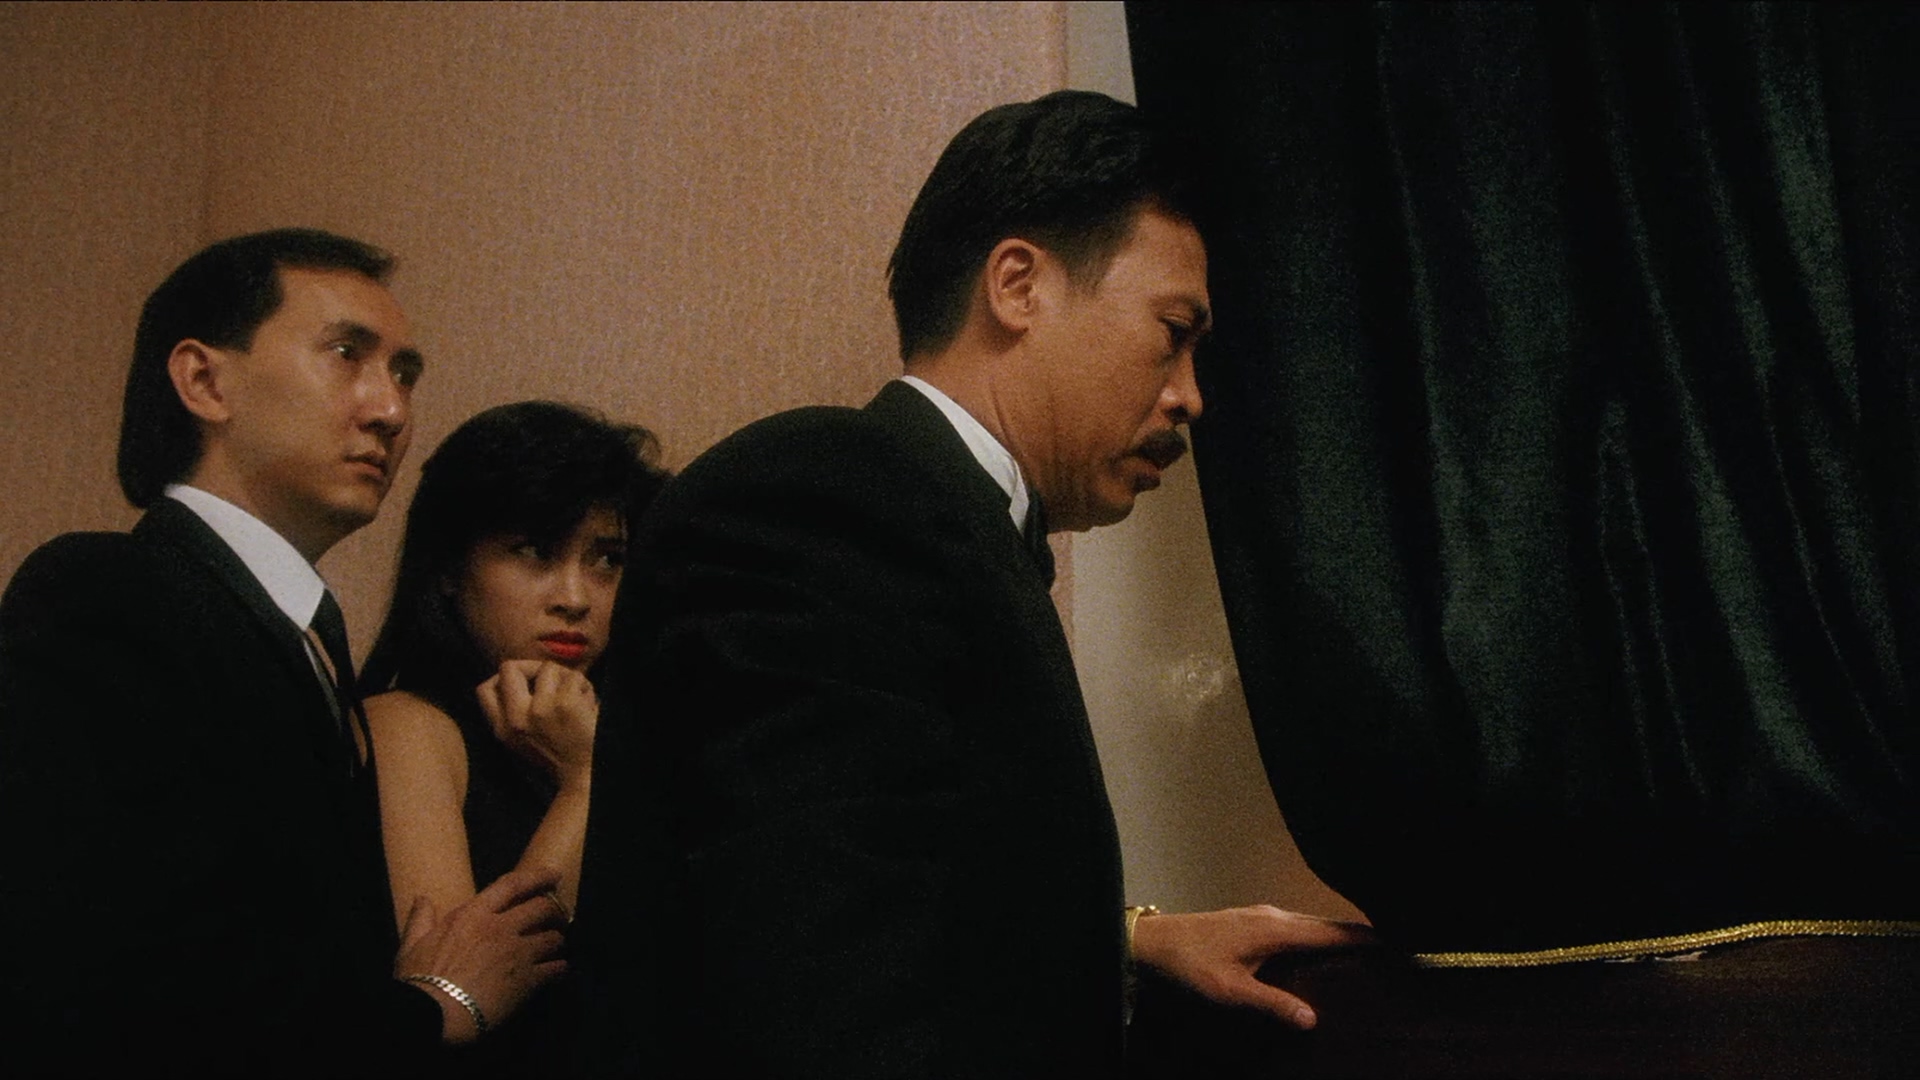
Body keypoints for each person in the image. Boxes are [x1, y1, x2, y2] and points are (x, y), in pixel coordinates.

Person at [575, 91, 1370, 1077]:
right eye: (1173, 331)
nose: (1190, 396)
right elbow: (819, 981)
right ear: (1019, 286)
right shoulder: (824, 496)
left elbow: (906, 881)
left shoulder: (937, 522)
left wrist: (1126, 943)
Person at [0, 229, 566, 1074]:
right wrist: (431, 1009)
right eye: (346, 354)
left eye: (405, 373)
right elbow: (111, 972)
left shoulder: (303, 640)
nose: (391, 410)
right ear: (204, 381)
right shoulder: (106, 592)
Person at [358, 400, 667, 1069]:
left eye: (607, 559)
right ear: (449, 568)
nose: (575, 597)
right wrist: (586, 781)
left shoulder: (641, 731)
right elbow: (465, 1000)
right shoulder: (408, 724)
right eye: (534, 552)